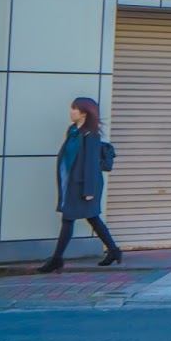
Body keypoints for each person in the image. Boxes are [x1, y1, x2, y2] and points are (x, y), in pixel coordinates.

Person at [37, 97, 120, 272]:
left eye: (74, 109)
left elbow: (91, 164)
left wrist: (89, 190)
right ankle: (114, 251)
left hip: (85, 185)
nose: (71, 112)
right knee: (92, 218)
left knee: (68, 219)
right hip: (72, 182)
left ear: (84, 112)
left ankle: (56, 259)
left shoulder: (91, 135)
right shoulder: (73, 130)